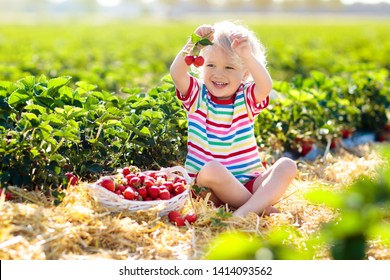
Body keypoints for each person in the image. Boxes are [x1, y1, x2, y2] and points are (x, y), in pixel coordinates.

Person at [170, 21, 297, 217]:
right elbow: (176, 73)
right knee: (212, 169)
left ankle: (242, 213)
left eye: (229, 67)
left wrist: (247, 56)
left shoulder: (245, 98)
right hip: (208, 191)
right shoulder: (197, 96)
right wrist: (194, 44)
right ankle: (256, 208)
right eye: (211, 65)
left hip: (247, 183)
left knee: (288, 166)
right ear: (201, 66)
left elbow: (265, 86)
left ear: (245, 73)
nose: (218, 73)